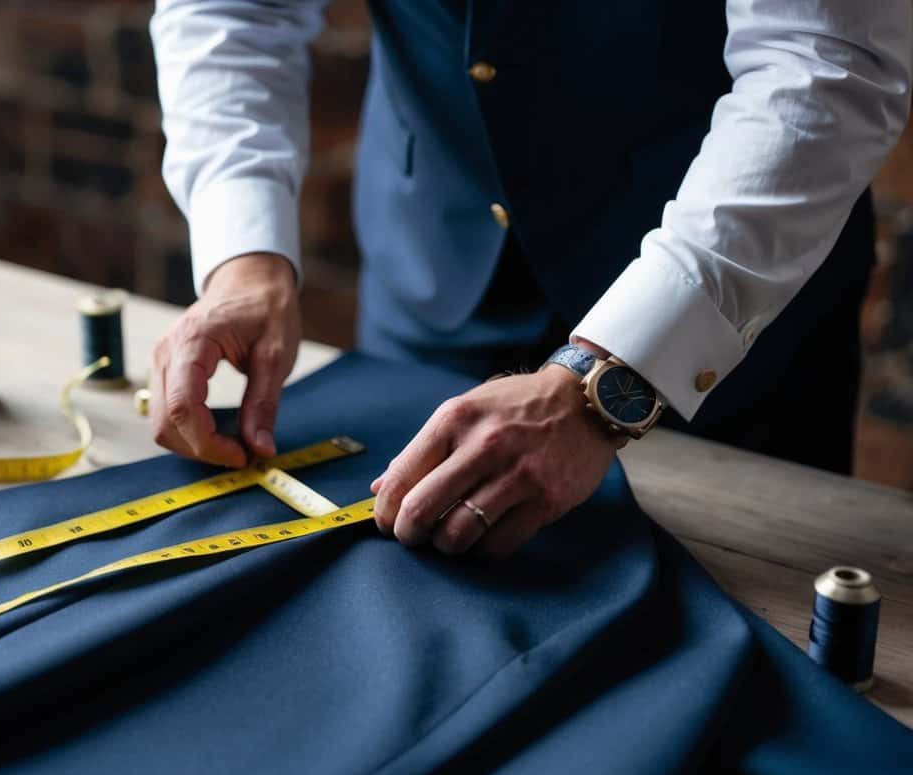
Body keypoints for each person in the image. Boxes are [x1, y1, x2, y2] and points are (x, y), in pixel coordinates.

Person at [147, 1, 911, 557]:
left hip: (727, 328)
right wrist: (242, 253)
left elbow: (823, 66)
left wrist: (609, 379)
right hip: (433, 277)